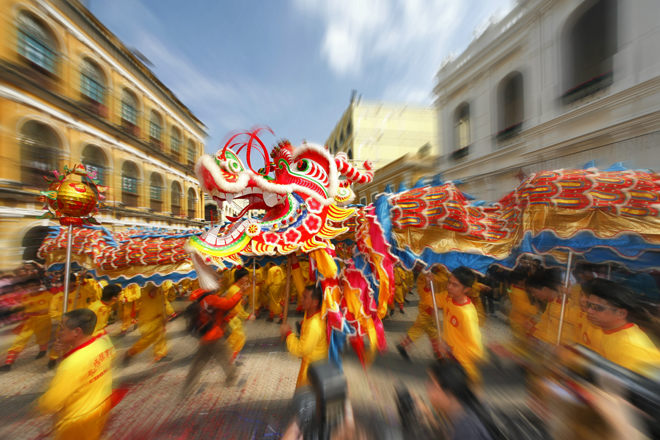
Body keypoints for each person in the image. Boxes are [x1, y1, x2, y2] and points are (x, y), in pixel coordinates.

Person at [38, 308, 114, 440]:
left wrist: (38, 406)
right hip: (100, 409)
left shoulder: (70, 366)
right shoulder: (104, 343)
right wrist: (64, 349)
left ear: (76, 331)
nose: (58, 333)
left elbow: (51, 403)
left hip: (76, 420)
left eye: (61, 329)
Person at [585, 278, 660, 376]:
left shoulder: (632, 349)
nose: (589, 311)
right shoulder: (607, 330)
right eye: (589, 305)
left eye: (598, 307)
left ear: (621, 313)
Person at [182, 284, 245, 397]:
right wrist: (240, 293)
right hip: (215, 336)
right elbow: (228, 304)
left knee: (197, 364)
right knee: (227, 359)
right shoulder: (211, 298)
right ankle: (231, 380)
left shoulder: (200, 295)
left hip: (204, 336)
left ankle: (187, 390)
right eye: (219, 282)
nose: (221, 284)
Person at [425, 362, 497, 440]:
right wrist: (431, 420)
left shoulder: (467, 429)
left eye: (432, 383)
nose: (427, 386)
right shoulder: (467, 406)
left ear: (450, 391)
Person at [279, 285, 328, 388]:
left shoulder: (314, 326)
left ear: (315, 302)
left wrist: (288, 333)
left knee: (306, 399)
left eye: (305, 297)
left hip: (313, 371)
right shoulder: (311, 312)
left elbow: (300, 350)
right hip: (312, 365)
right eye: (302, 296)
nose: (301, 300)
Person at [397, 266, 448, 360]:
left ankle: (403, 345)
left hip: (430, 304)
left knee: (420, 328)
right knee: (432, 331)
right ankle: (439, 356)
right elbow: (443, 279)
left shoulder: (433, 273)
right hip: (427, 305)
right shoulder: (427, 274)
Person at [1, 279, 52, 371]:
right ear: (28, 287)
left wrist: (47, 309)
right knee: (20, 339)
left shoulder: (48, 295)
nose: (34, 287)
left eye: (36, 285)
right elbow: (23, 308)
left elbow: (54, 306)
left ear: (40, 285)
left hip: (43, 319)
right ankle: (8, 363)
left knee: (42, 337)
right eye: (31, 286)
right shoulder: (25, 297)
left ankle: (42, 351)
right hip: (29, 321)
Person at [123, 282, 171, 364]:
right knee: (146, 340)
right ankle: (131, 352)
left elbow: (162, 301)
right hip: (148, 320)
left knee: (161, 337)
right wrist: (157, 284)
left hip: (158, 317)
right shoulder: (148, 286)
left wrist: (164, 316)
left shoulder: (159, 286)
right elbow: (151, 294)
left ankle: (160, 355)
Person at [524, 270, 575, 345]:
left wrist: (533, 330)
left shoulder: (559, 307)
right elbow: (546, 323)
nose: (533, 295)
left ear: (545, 289)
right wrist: (533, 326)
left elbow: (559, 339)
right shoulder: (552, 302)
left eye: (533, 291)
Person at [222, 268, 255, 364]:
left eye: (247, 276)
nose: (247, 278)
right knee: (235, 341)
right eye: (245, 276)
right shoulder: (234, 290)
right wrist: (248, 316)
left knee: (238, 340)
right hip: (231, 320)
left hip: (235, 320)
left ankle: (231, 360)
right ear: (239, 278)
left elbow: (247, 292)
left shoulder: (238, 287)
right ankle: (229, 362)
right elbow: (237, 309)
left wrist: (253, 283)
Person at [506, 270, 538, 339]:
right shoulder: (519, 294)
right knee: (521, 342)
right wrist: (535, 308)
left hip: (515, 318)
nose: (525, 282)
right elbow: (525, 310)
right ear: (520, 281)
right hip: (520, 322)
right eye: (525, 280)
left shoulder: (513, 287)